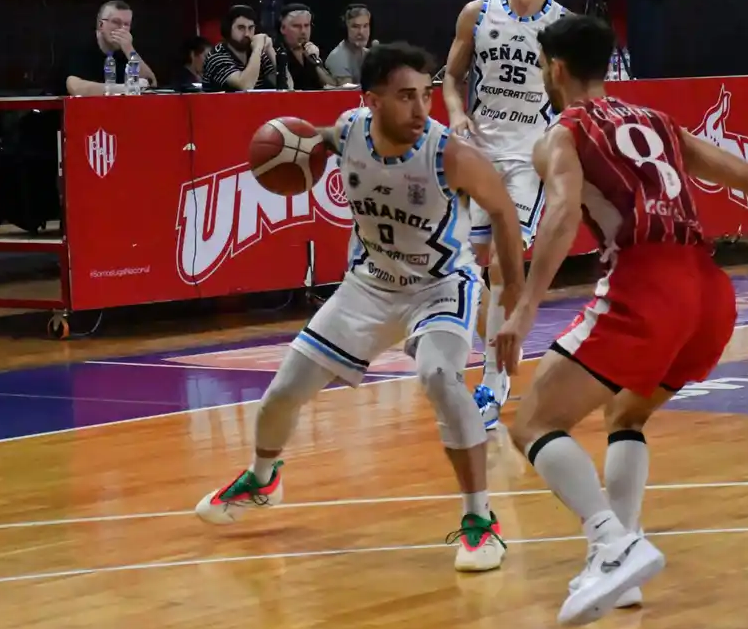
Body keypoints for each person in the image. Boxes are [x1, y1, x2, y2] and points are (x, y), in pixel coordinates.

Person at [494, 15, 748, 626]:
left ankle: (611, 542)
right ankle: (623, 570)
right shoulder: (656, 122)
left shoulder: (563, 134)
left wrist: (523, 309)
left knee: (532, 424)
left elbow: (556, 218)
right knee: (626, 412)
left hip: (646, 284)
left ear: (554, 69)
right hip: (710, 294)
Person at [195, 43, 526, 574]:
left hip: (439, 285)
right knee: (282, 393)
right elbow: (318, 138)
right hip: (369, 285)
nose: (421, 110)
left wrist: (516, 306)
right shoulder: (347, 131)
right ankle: (262, 479)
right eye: (405, 97)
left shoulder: (448, 154)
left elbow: (505, 214)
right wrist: (291, 149)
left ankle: (480, 519)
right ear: (370, 101)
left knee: (441, 376)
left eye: (424, 95)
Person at [442, 0, 569, 431]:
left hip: (528, 157)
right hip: (478, 153)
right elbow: (451, 77)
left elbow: (574, 94)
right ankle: (491, 354)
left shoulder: (562, 25)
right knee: (466, 270)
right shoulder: (477, 14)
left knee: (503, 269)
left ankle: (493, 382)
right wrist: (454, 112)